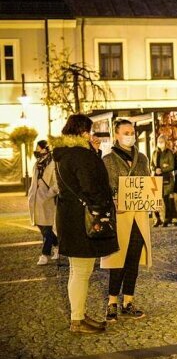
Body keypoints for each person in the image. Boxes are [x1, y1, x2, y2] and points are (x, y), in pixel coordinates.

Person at [50, 114, 119, 334]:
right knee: (80, 271)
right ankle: (77, 320)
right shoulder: (80, 155)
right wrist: (105, 205)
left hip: (70, 218)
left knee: (78, 270)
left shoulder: (64, 154)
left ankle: (79, 314)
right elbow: (92, 185)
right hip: (82, 220)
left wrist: (94, 153)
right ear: (82, 132)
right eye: (89, 131)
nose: (91, 135)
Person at [101, 120, 151, 321]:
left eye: (132, 132)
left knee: (133, 259)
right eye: (126, 132)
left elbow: (148, 184)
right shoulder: (108, 160)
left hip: (139, 215)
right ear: (117, 135)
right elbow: (104, 187)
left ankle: (128, 301)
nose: (130, 135)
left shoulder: (142, 158)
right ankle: (112, 302)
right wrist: (113, 198)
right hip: (120, 215)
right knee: (117, 260)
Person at [28, 140, 59, 265]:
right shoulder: (37, 163)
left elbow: (57, 183)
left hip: (47, 201)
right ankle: (57, 246)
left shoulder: (52, 164)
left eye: (38, 148)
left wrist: (49, 194)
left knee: (47, 228)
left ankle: (44, 255)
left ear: (45, 149)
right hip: (36, 200)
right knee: (42, 227)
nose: (36, 151)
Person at [152, 135, 175, 227]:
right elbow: (151, 164)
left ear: (165, 142)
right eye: (159, 141)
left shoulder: (169, 152)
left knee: (166, 199)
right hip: (156, 177)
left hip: (166, 178)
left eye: (162, 141)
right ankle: (157, 219)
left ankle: (167, 219)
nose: (160, 143)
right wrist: (154, 169)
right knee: (154, 199)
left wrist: (162, 169)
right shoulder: (154, 152)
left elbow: (172, 166)